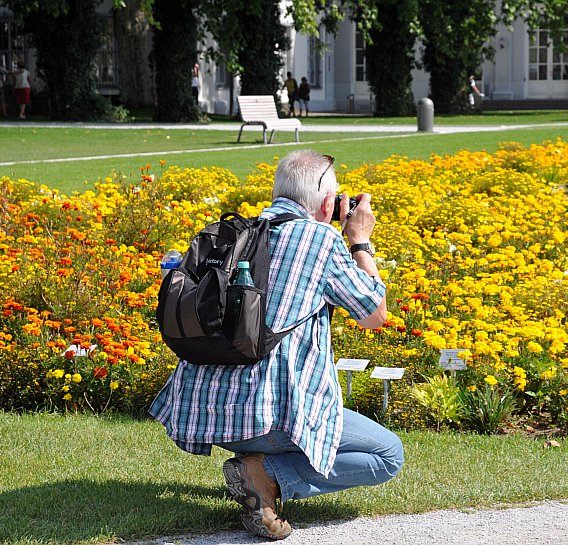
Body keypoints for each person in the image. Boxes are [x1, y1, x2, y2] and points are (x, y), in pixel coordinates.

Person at [150, 150, 403, 540]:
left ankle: (254, 465)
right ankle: (267, 474)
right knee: (387, 454)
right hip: (267, 421)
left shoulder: (234, 233)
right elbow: (374, 314)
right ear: (328, 204)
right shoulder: (320, 240)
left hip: (202, 416)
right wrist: (360, 240)